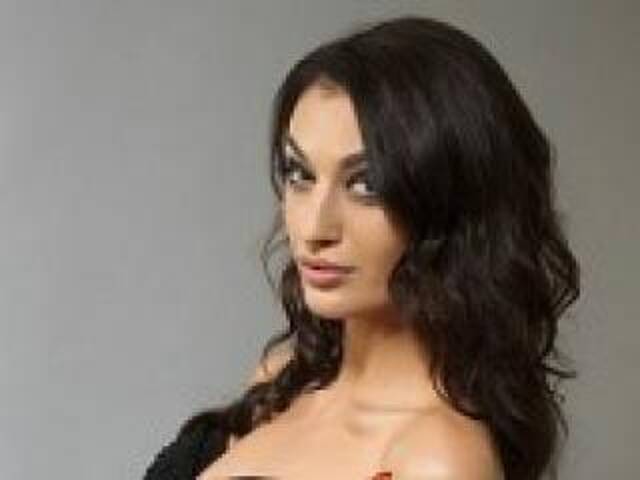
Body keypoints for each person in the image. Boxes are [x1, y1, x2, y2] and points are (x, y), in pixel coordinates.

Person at [143, 14, 580, 480]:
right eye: (300, 174)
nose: (315, 227)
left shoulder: (437, 460)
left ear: (452, 205)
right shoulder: (281, 380)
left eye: (366, 184)